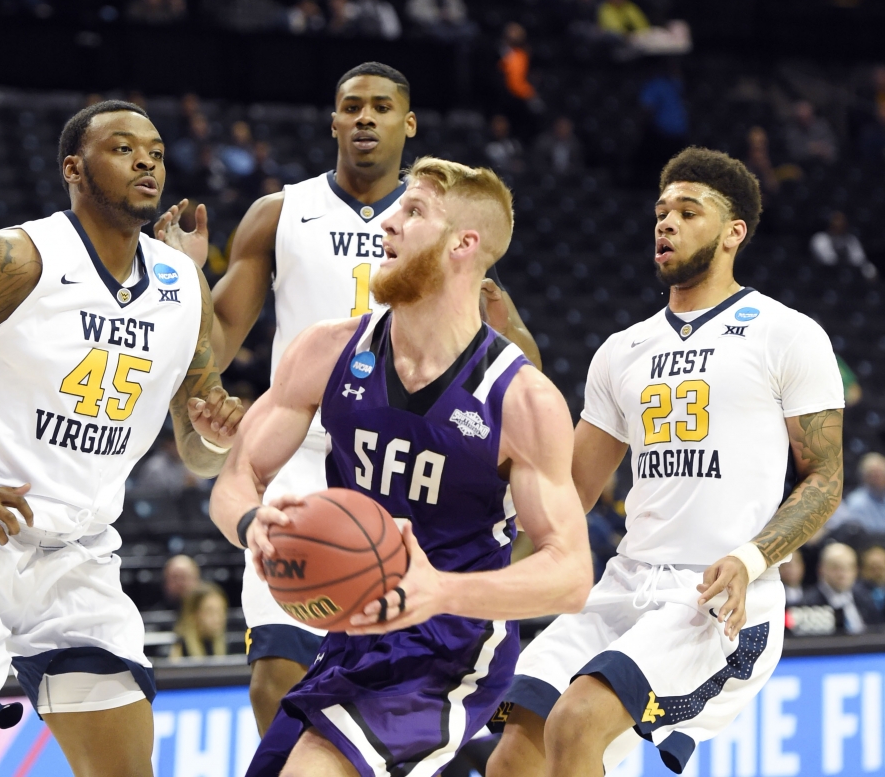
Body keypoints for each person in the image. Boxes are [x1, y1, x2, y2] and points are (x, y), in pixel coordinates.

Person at [154, 61, 541, 734]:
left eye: (382, 107)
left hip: (411, 463)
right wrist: (188, 277)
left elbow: (521, 369)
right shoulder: (281, 212)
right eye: (353, 106)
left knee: (399, 684)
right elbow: (217, 334)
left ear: (408, 123)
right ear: (332, 121)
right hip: (305, 452)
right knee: (278, 679)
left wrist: (502, 321)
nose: (366, 117)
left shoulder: (445, 226)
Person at [0, 99, 244, 777]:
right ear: (74, 167)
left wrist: (216, 437)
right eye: (123, 147)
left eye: (154, 148)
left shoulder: (185, 284)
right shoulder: (8, 258)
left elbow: (196, 450)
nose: (147, 159)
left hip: (79, 556)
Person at [210, 156, 592, 777]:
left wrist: (440, 591)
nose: (386, 222)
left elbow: (571, 575)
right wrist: (253, 522)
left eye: (413, 212)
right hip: (350, 639)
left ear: (464, 245)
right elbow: (236, 478)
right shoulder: (328, 348)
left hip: (451, 649)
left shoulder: (521, 399)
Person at [487, 147, 845, 777]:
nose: (666, 223)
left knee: (577, 720)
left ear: (734, 233)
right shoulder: (622, 350)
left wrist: (751, 556)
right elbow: (570, 491)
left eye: (688, 210)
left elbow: (825, 477)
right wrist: (473, 579)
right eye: (661, 211)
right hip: (626, 584)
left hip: (720, 595)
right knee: (515, 754)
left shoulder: (786, 333)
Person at [801, 543, 883, 634]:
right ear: (821, 569)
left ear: (856, 571)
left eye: (848, 567)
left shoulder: (865, 599)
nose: (842, 574)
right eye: (836, 568)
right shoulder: (807, 604)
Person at [826, 452, 885, 536]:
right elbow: (860, 534)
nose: (879, 478)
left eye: (881, 473)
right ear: (864, 477)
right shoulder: (856, 501)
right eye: (874, 474)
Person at [810, 211, 878, 280]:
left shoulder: (851, 239)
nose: (839, 225)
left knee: (870, 269)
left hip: (850, 272)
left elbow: (859, 259)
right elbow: (828, 260)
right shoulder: (820, 238)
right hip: (826, 274)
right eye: (836, 221)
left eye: (842, 222)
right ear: (830, 224)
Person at [170, 581, 229, 658]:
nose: (218, 618)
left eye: (221, 611)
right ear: (193, 615)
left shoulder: (228, 646)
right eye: (210, 612)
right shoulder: (180, 648)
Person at [785, 100, 837, 165]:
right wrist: (811, 150)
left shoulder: (822, 126)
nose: (804, 121)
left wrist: (822, 150)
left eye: (807, 117)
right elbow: (794, 153)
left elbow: (832, 148)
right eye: (801, 118)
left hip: (825, 165)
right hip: (802, 166)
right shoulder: (791, 131)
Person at [859, 545, 885, 616]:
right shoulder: (857, 593)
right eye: (872, 568)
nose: (877, 572)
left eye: (880, 568)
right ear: (864, 570)